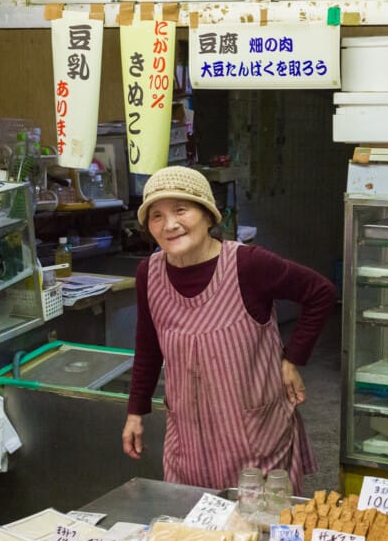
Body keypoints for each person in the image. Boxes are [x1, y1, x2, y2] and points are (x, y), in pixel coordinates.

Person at [121, 166, 337, 494]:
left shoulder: (248, 265)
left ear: (208, 215)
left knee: (259, 532)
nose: (170, 225)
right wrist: (136, 411)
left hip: (255, 441)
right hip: (189, 442)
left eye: (181, 210)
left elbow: (321, 292)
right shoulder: (148, 273)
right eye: (156, 216)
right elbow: (148, 346)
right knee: (197, 533)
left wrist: (292, 358)